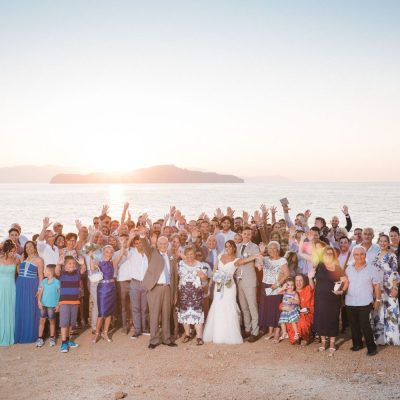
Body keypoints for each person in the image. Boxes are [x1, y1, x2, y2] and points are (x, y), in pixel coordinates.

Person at [141, 230, 178, 349]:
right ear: (157, 245)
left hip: (167, 288)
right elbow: (146, 246)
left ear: (168, 245)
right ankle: (154, 340)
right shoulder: (152, 253)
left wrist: (175, 293)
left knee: (166, 314)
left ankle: (167, 339)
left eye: (165, 244)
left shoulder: (172, 257)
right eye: (161, 244)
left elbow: (175, 276)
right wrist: (142, 235)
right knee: (154, 314)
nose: (163, 246)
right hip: (155, 288)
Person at [309, 246, 348, 356]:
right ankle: (323, 343)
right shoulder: (319, 266)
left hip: (333, 299)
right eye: (326, 253)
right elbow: (312, 286)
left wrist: (342, 292)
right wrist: (309, 278)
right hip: (320, 298)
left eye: (331, 253)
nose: (328, 255)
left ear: (334, 255)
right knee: (321, 318)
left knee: (333, 319)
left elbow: (346, 281)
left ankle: (332, 343)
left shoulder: (337, 268)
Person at [203, 240, 243, 344]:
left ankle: (230, 334)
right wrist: (209, 286)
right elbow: (214, 271)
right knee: (218, 306)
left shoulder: (237, 259)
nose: (228, 248)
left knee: (229, 306)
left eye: (230, 247)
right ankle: (217, 334)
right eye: (226, 246)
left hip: (230, 287)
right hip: (218, 286)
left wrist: (258, 255)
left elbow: (247, 260)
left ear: (234, 248)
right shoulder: (220, 256)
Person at [345, 246, 381, 356]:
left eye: (361, 254)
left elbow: (377, 285)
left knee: (365, 325)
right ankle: (357, 344)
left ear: (365, 255)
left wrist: (378, 300)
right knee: (353, 324)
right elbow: (345, 284)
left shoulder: (372, 268)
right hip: (350, 301)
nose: (359, 256)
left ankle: (371, 348)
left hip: (365, 302)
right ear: (353, 256)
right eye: (356, 254)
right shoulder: (348, 268)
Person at [90, 245, 125, 343]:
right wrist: (90, 257)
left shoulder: (113, 263)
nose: (109, 254)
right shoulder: (99, 262)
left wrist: (122, 243)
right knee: (101, 313)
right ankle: (97, 334)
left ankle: (105, 333)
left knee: (109, 312)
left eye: (111, 252)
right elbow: (92, 269)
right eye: (107, 252)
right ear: (103, 252)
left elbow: (122, 253)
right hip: (102, 289)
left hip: (111, 288)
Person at [258, 241, 290, 343]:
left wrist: (277, 283)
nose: (271, 250)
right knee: (267, 308)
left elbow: (287, 273)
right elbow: (258, 264)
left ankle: (277, 332)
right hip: (265, 285)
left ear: (278, 249)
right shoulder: (265, 259)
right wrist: (261, 253)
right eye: (270, 248)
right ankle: (270, 332)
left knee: (276, 309)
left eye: (274, 248)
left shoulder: (282, 260)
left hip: (275, 287)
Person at [371, 235, 400, 345]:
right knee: (378, 312)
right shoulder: (376, 256)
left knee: (391, 312)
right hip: (378, 288)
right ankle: (380, 339)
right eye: (381, 241)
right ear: (378, 242)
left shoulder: (392, 255)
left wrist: (395, 287)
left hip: (389, 288)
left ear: (388, 243)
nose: (382, 243)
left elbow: (395, 272)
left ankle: (392, 339)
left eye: (385, 241)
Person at [235, 227, 262, 342]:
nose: (246, 236)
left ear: (251, 235)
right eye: (244, 233)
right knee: (244, 306)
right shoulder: (237, 246)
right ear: (241, 234)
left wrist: (259, 264)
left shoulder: (254, 247)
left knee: (252, 306)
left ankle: (255, 332)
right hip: (239, 280)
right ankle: (247, 329)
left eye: (249, 234)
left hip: (249, 279)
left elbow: (258, 260)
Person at [14, 241, 44, 343]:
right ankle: (19, 333)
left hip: (31, 285)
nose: (28, 248)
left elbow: (40, 276)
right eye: (26, 247)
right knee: (20, 308)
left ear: (34, 247)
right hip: (20, 284)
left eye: (30, 246)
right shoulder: (23, 258)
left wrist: (39, 289)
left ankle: (30, 334)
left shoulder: (39, 260)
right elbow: (19, 272)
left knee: (30, 308)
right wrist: (18, 264)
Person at [177, 247, 208, 345]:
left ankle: (199, 337)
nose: (190, 256)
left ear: (195, 254)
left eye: (192, 254)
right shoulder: (180, 264)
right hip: (184, 293)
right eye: (188, 254)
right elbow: (176, 277)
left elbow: (205, 281)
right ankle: (187, 334)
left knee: (197, 314)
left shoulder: (200, 265)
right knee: (184, 313)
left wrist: (203, 277)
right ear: (185, 254)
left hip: (196, 294)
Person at [56, 255, 86, 353]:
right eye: (69, 263)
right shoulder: (62, 273)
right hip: (64, 302)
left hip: (75, 302)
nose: (72, 265)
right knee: (64, 323)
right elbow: (56, 271)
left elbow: (83, 270)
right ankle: (64, 343)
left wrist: (82, 263)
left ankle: (68, 340)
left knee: (70, 323)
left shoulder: (77, 273)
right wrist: (58, 263)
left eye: (74, 263)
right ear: (65, 265)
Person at [129, 235, 150, 338]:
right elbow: (125, 246)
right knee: (135, 308)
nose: (138, 245)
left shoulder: (148, 253)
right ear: (134, 244)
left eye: (140, 242)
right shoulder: (132, 252)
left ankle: (144, 328)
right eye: (136, 243)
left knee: (144, 308)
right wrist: (131, 236)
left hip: (145, 283)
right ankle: (137, 330)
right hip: (135, 283)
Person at [36, 264, 60, 347]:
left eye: (45, 270)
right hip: (43, 305)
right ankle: (40, 338)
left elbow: (60, 294)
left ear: (51, 272)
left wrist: (58, 305)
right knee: (42, 321)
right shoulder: (44, 281)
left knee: (52, 322)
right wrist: (39, 301)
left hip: (52, 305)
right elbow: (40, 292)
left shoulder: (57, 282)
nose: (44, 272)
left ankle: (52, 337)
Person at [286, 274, 314, 345]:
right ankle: (297, 337)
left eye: (301, 280)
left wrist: (308, 310)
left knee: (302, 321)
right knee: (292, 320)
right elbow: (282, 305)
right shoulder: (291, 292)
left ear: (304, 281)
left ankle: (305, 337)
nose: (298, 283)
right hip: (294, 314)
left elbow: (312, 289)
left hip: (306, 314)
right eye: (297, 281)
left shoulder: (307, 289)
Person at [0, 240, 18, 346]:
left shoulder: (16, 261)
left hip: (11, 288)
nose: (13, 253)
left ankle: (10, 334)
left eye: (14, 251)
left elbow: (21, 273)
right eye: (11, 251)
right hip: (1, 287)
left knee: (11, 310)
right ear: (6, 251)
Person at [278, 277, 300, 342]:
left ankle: (296, 333)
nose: (290, 286)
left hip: (291, 310)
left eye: (292, 285)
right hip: (285, 310)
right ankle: (285, 333)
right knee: (282, 321)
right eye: (288, 285)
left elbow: (298, 302)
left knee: (293, 321)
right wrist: (283, 288)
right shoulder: (284, 292)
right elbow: (277, 292)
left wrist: (292, 300)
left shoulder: (294, 293)